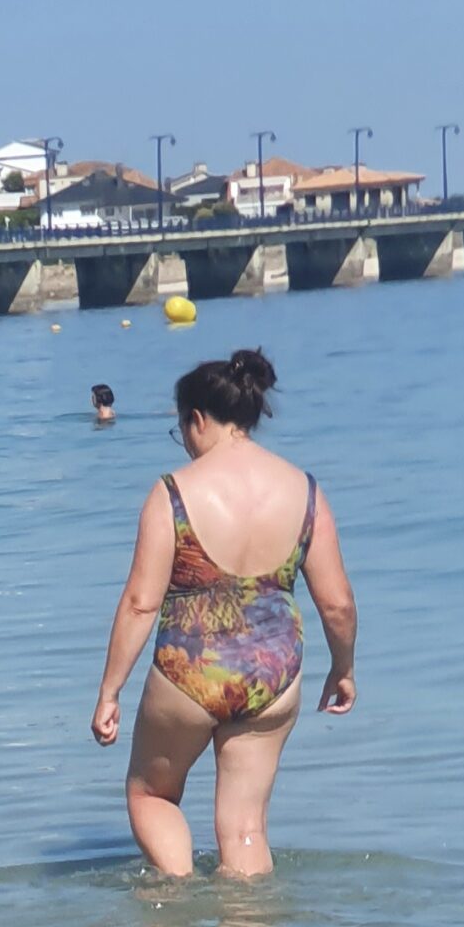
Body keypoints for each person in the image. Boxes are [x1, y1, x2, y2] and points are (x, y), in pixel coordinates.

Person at [91, 348, 357, 878]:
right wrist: (343, 669)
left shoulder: (173, 493)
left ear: (196, 419)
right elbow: (337, 602)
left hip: (191, 671)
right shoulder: (304, 490)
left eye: (181, 430)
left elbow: (141, 602)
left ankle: (176, 908)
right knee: (245, 826)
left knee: (151, 797)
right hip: (274, 673)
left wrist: (110, 691)